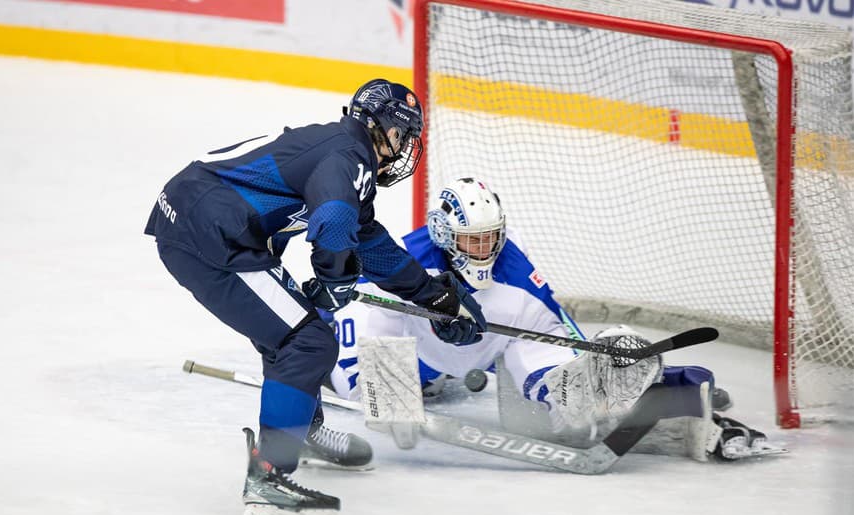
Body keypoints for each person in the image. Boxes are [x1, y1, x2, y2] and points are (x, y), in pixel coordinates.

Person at [144, 79, 486, 515]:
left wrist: (433, 296)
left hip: (207, 225)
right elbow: (333, 222)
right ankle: (270, 479)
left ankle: (298, 430)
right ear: (378, 127)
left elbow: (368, 242)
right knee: (306, 343)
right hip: (209, 235)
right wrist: (334, 278)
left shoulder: (344, 151)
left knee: (290, 334)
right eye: (401, 136)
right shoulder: (349, 156)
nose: (403, 150)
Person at [328, 176, 778, 462]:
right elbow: (367, 313)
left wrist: (598, 370)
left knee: (564, 397)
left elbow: (553, 331)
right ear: (446, 236)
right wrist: (387, 387)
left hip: (490, 349)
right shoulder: (403, 259)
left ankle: (673, 386)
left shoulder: (517, 277)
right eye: (472, 240)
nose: (484, 250)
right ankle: (417, 381)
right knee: (352, 382)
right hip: (421, 351)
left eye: (490, 239)